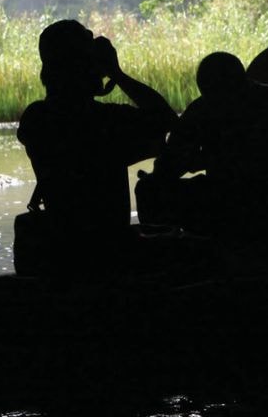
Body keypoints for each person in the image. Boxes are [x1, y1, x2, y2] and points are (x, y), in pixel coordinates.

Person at [15, 19, 177, 272]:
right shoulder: (107, 120)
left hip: (61, 250)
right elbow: (165, 118)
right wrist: (117, 74)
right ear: (84, 66)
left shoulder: (36, 118)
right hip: (109, 252)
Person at [137, 51, 268, 256]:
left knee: (149, 190)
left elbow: (167, 168)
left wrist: (202, 160)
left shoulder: (203, 108)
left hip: (236, 205)